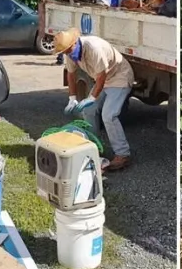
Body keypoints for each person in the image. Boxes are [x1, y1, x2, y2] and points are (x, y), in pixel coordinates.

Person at [53, 28, 135, 171]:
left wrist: (91, 97)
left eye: (68, 50)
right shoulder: (70, 53)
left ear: (74, 43)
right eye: (64, 52)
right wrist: (72, 98)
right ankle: (93, 146)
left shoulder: (93, 48)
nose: (67, 54)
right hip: (103, 79)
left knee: (109, 115)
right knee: (88, 110)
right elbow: (71, 75)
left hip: (119, 77)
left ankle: (123, 155)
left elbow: (101, 76)